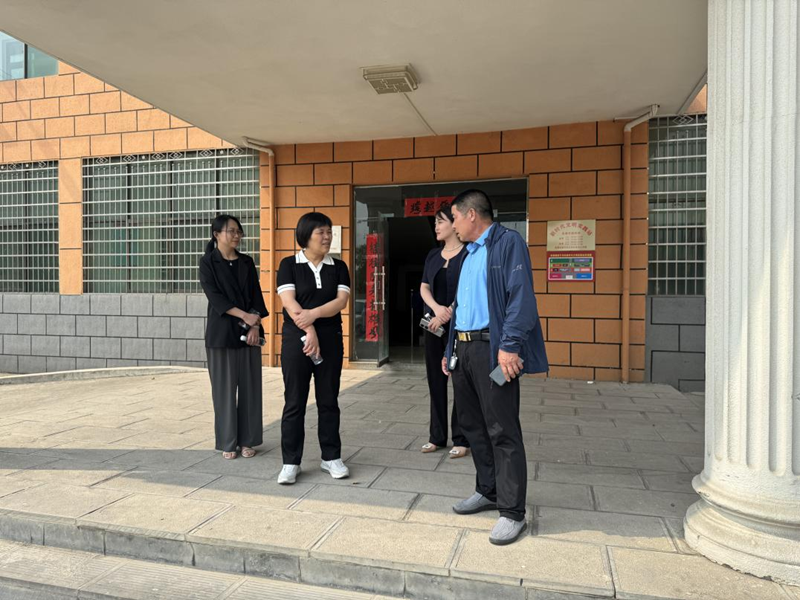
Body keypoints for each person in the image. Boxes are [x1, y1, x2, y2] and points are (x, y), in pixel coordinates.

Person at [443, 189, 548, 546]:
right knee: (472, 426)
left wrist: (509, 346)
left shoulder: (508, 243)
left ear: (471, 215)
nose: (453, 225)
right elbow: (461, 305)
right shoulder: (469, 253)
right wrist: (450, 348)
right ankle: (487, 490)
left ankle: (512, 511)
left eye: (455, 217)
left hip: (493, 350)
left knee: (502, 429)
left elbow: (521, 298)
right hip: (464, 349)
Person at [276, 212, 351, 485]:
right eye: (321, 232)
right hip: (296, 339)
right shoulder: (289, 264)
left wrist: (313, 316)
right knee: (294, 401)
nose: (327, 237)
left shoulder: (338, 266)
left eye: (329, 232)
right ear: (306, 236)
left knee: (328, 400)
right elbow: (289, 301)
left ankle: (331, 457)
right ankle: (290, 462)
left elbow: (341, 301)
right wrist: (309, 330)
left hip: (330, 339)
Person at [199, 214, 268, 460]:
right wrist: (244, 316)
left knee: (250, 389)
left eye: (239, 231)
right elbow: (215, 297)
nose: (237, 235)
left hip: (250, 334)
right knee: (224, 391)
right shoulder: (208, 262)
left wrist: (254, 324)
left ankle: (248, 440)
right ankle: (228, 441)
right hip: (221, 334)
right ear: (216, 234)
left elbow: (256, 295)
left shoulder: (247, 262)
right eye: (231, 231)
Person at [419, 203, 470, 458]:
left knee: (460, 382)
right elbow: (424, 287)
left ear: (453, 223)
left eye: (440, 221)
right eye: (435, 222)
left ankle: (462, 438)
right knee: (435, 381)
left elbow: (469, 289)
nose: (436, 226)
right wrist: (437, 309)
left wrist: (448, 311)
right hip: (434, 326)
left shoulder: (469, 253)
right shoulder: (433, 255)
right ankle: (436, 436)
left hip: (460, 326)